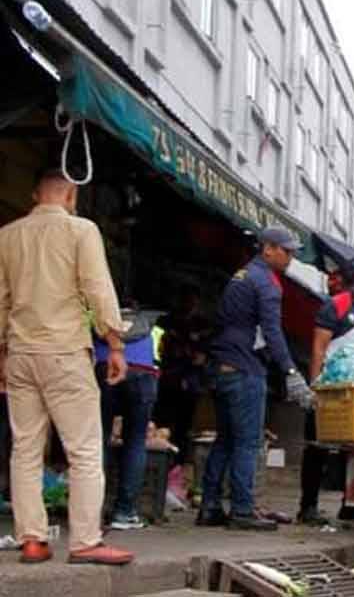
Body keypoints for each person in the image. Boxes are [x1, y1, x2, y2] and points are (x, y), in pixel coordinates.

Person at [0, 168, 133, 565]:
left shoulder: (6, 236)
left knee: (25, 450)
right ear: (71, 195)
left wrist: (2, 355)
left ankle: (33, 540)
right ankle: (85, 541)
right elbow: (96, 286)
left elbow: (1, 300)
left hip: (21, 355)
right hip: (64, 354)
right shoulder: (81, 231)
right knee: (84, 450)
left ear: (34, 195)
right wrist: (114, 343)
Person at [197, 227, 311, 531]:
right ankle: (243, 511)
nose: (291, 258)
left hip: (224, 366)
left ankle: (209, 507)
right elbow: (272, 331)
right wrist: (290, 371)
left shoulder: (242, 276)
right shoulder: (266, 283)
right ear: (268, 248)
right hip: (245, 369)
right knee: (247, 443)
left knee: (225, 440)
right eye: (287, 251)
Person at [298, 255, 354, 526]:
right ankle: (308, 507)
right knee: (317, 446)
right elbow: (319, 348)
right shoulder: (335, 306)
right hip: (331, 386)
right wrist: (315, 387)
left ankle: (353, 504)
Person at [96, 310, 161, 531]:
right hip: (143, 373)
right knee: (135, 440)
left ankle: (90, 510)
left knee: (97, 439)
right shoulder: (148, 324)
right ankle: (124, 513)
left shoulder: (96, 316)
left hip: (104, 368)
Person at [154, 285, 212, 466]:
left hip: (190, 381)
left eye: (193, 300)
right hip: (168, 378)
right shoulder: (166, 322)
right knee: (162, 421)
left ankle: (178, 462)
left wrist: (199, 357)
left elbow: (203, 354)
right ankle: (162, 459)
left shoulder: (202, 325)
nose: (189, 303)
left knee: (184, 424)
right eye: (186, 299)